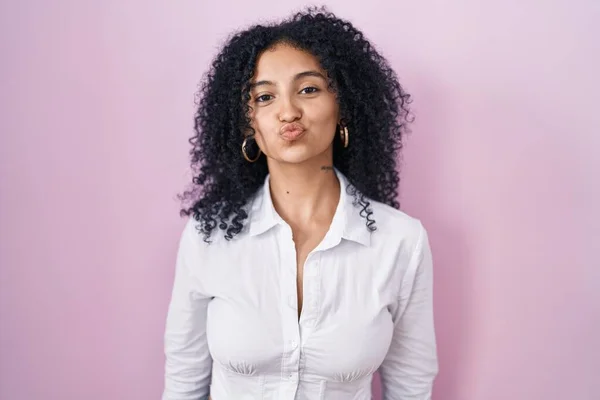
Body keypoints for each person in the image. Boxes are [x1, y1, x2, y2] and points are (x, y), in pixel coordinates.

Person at [162, 6, 438, 400]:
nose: (288, 111)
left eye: (308, 89)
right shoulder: (209, 236)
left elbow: (411, 386)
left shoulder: (401, 242)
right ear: (248, 123)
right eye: (264, 96)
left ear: (342, 104)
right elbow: (183, 384)